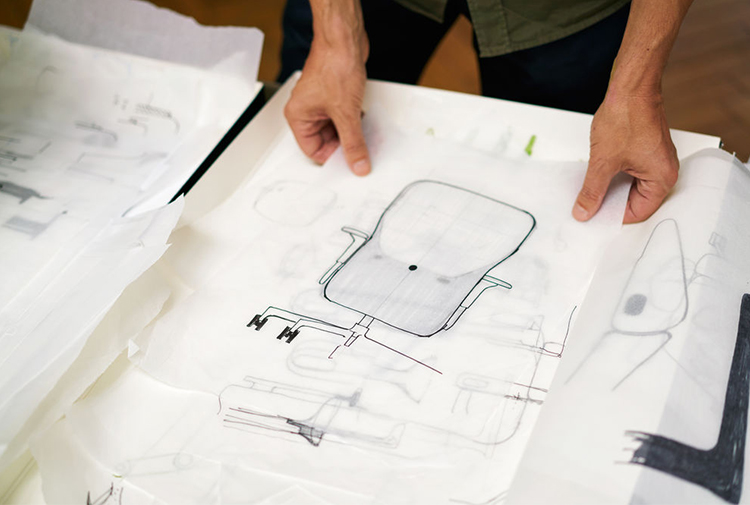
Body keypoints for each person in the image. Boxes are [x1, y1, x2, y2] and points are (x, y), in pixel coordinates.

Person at [281, 0, 694, 223]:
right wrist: (333, 33)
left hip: (560, 13)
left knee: (559, 179)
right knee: (315, 133)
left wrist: (637, 90)